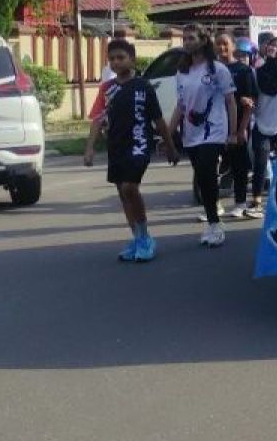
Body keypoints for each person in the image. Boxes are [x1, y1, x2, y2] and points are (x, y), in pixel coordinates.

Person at [84, 39, 178, 262]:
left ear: (132, 59)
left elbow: (158, 120)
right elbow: (97, 120)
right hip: (116, 146)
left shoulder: (144, 86)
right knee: (122, 193)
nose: (116, 62)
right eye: (112, 59)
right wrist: (89, 149)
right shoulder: (107, 89)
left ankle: (146, 238)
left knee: (130, 188)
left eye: (121, 57)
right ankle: (136, 238)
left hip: (139, 145)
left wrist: (170, 147)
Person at [169, 24, 237, 247]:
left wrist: (233, 132)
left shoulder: (217, 69)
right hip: (191, 133)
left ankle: (215, 224)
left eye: (191, 38)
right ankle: (211, 217)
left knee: (208, 174)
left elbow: (230, 101)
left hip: (214, 131)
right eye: (185, 39)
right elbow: (180, 106)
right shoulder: (182, 72)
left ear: (203, 41)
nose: (187, 42)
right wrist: (168, 136)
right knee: (203, 180)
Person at [245, 35, 277, 217]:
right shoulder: (256, 73)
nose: (274, 49)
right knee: (260, 163)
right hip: (262, 122)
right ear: (266, 48)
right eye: (272, 46)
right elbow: (252, 95)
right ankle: (256, 201)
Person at [214, 33, 258, 219]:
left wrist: (241, 130)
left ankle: (240, 203)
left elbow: (251, 101)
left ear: (233, 46)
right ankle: (214, 205)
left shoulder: (244, 70)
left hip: (238, 124)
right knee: (214, 167)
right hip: (214, 126)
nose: (222, 48)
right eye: (218, 44)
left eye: (225, 44)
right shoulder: (210, 69)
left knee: (239, 166)